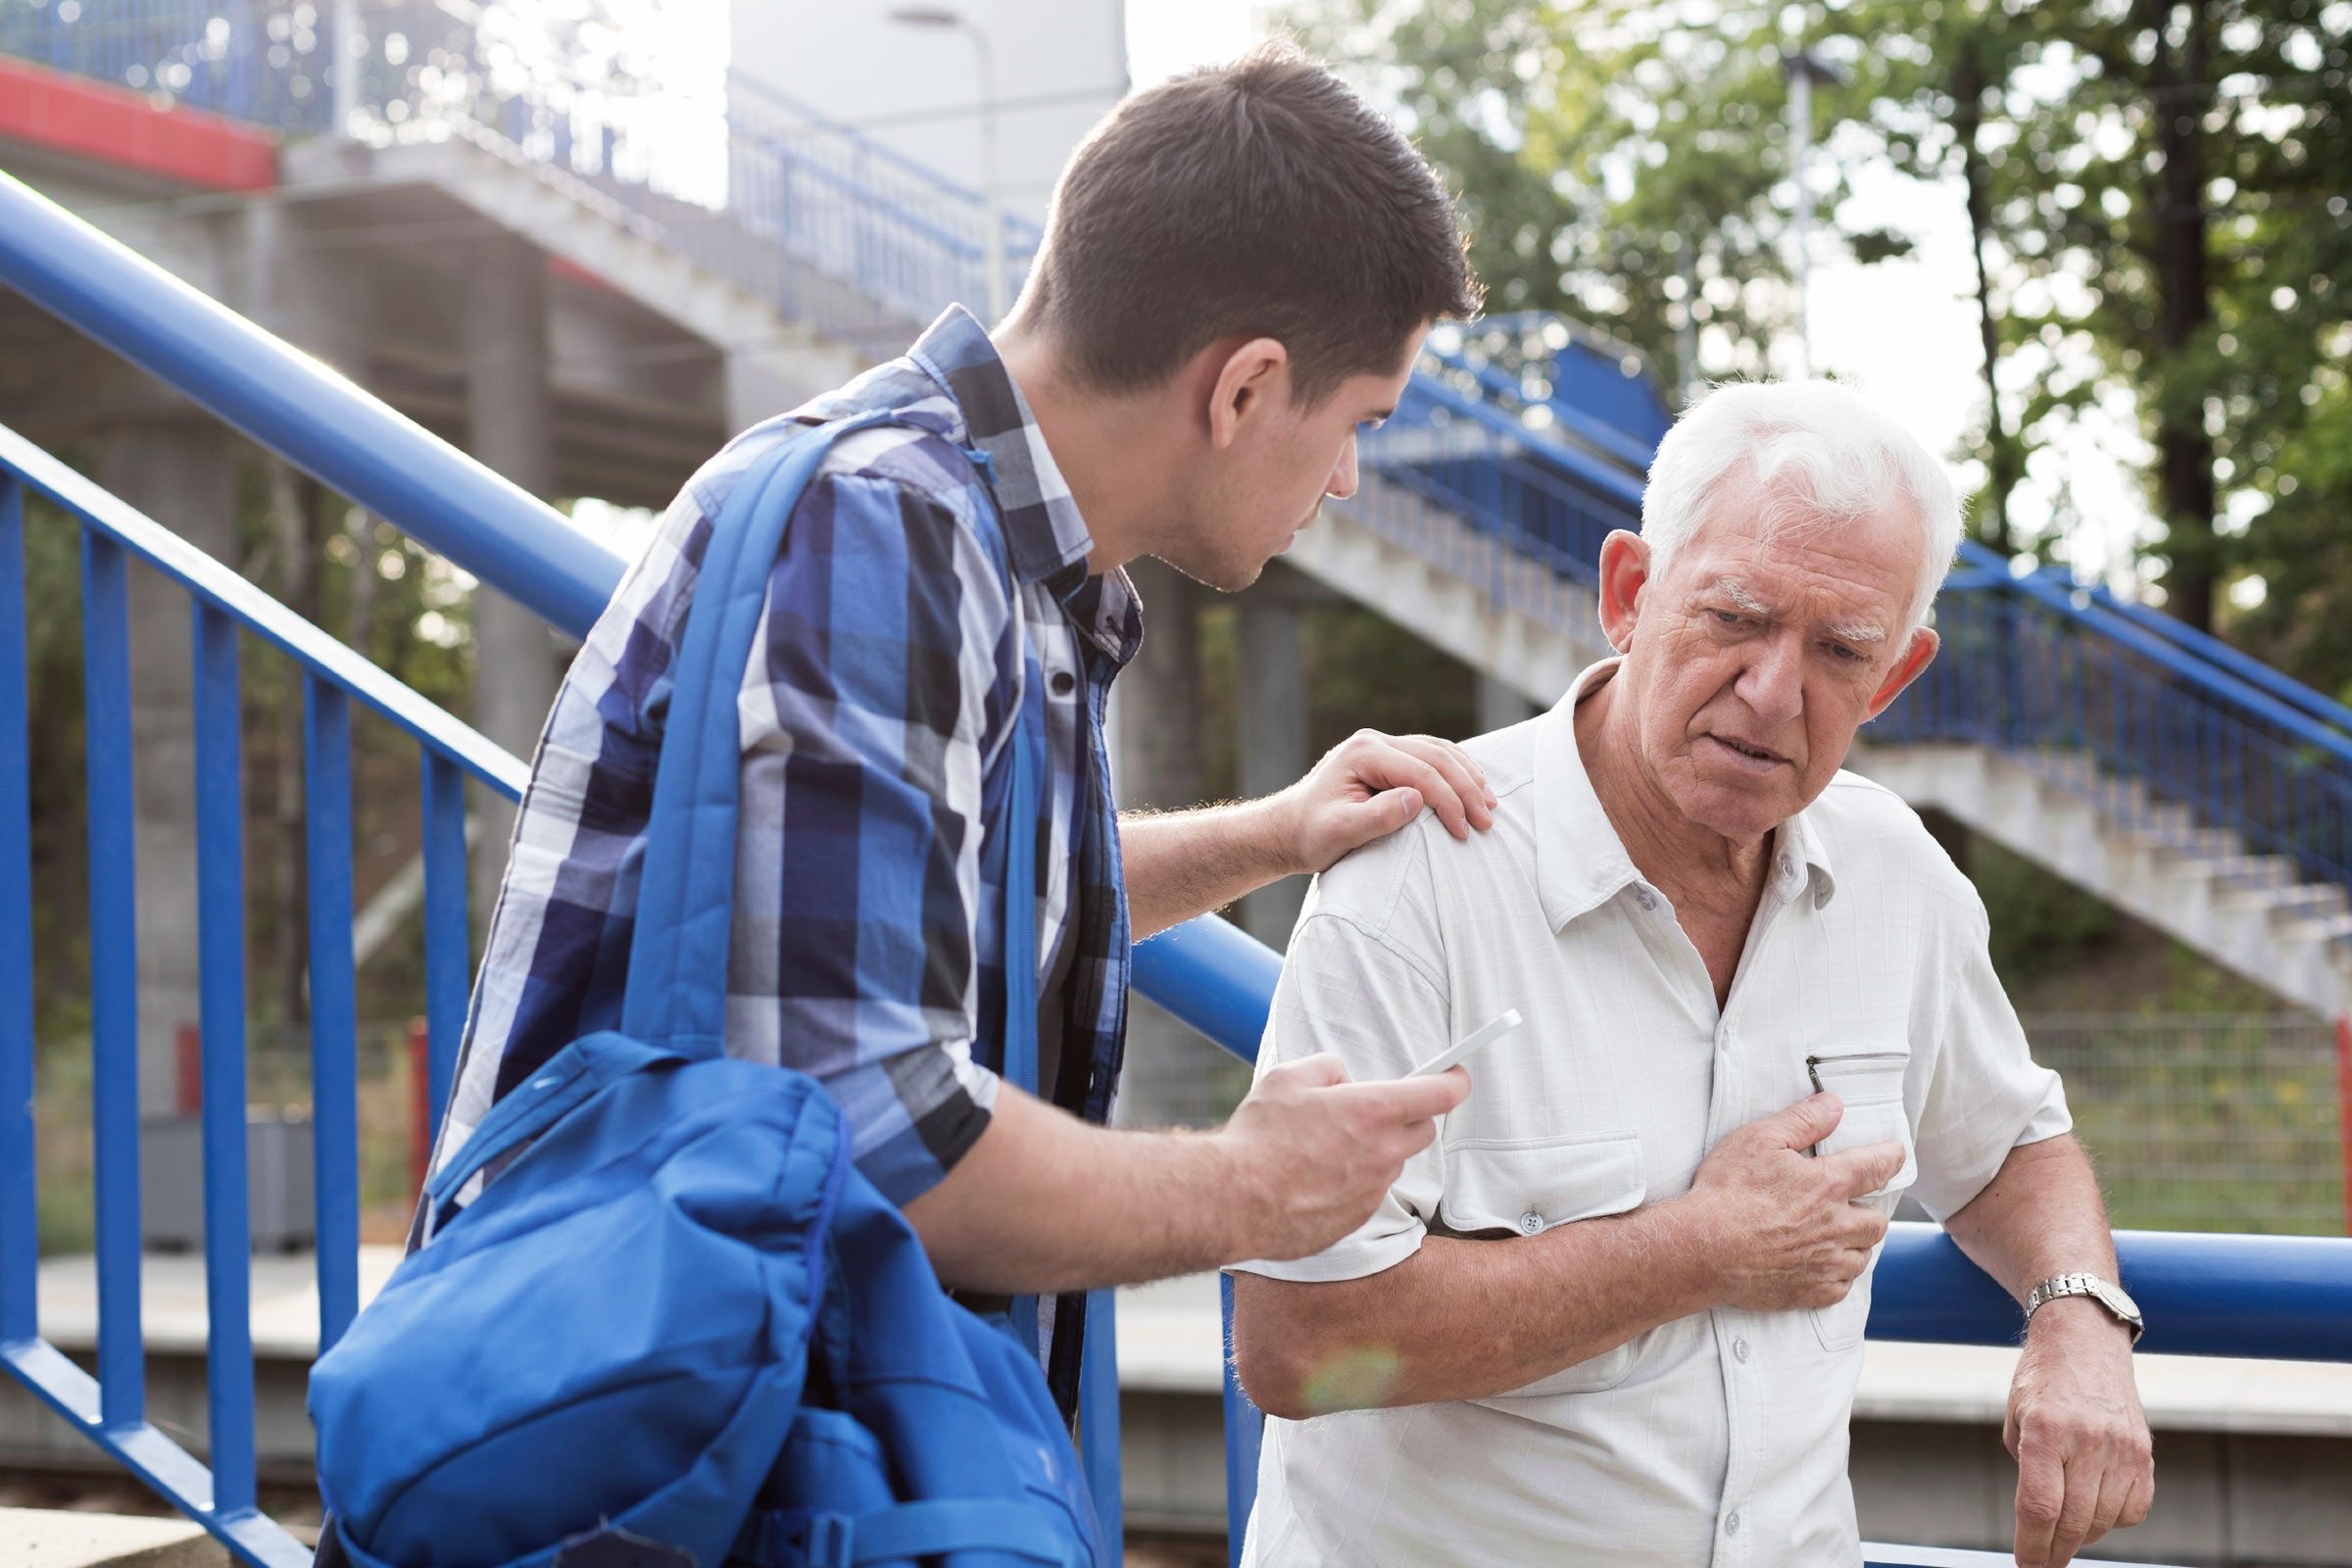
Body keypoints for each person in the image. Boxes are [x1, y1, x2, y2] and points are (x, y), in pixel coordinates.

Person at [426, 42, 1487, 1419]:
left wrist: (1275, 835)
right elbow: (868, 1130)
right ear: (1242, 389)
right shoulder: (879, 530)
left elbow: (919, 882)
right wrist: (1257, 1188)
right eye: (1358, 423)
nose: (1346, 477)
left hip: (707, 1429)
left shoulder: (985, 541)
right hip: (646, 1463)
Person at [1229, 380, 2156, 1568]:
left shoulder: (1895, 878)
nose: (1775, 692)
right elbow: (1300, 1340)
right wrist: (1698, 1248)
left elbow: (2012, 1143)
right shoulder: (1420, 875)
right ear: (1629, 593)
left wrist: (2078, 1314)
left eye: (1841, 650)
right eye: (1735, 617)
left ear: (1896, 676)